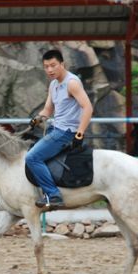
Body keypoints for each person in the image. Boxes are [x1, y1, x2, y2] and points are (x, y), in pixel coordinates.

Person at [25, 49, 93, 210]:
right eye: (46, 66)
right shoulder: (53, 84)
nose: (49, 70)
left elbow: (88, 107)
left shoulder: (72, 83)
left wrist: (80, 133)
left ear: (62, 64)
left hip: (65, 132)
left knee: (32, 158)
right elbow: (48, 110)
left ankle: (53, 194)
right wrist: (38, 118)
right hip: (55, 128)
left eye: (53, 65)